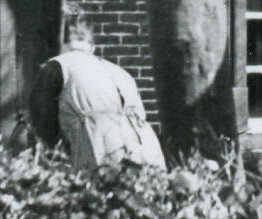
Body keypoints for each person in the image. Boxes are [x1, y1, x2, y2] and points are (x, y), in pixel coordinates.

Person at [29, 10, 165, 172]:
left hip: (102, 153)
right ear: (92, 47)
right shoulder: (120, 72)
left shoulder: (57, 66)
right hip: (149, 155)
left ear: (59, 42)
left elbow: (42, 131)